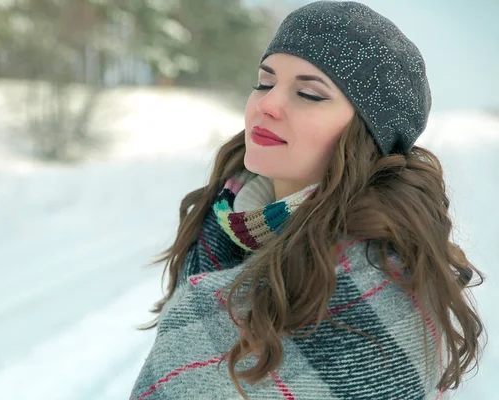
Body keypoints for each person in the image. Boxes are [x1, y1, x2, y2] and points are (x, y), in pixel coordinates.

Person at [130, 1, 486, 399]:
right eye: (265, 83)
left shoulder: (374, 294)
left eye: (308, 93)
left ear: (366, 135)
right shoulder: (218, 226)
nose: (267, 104)